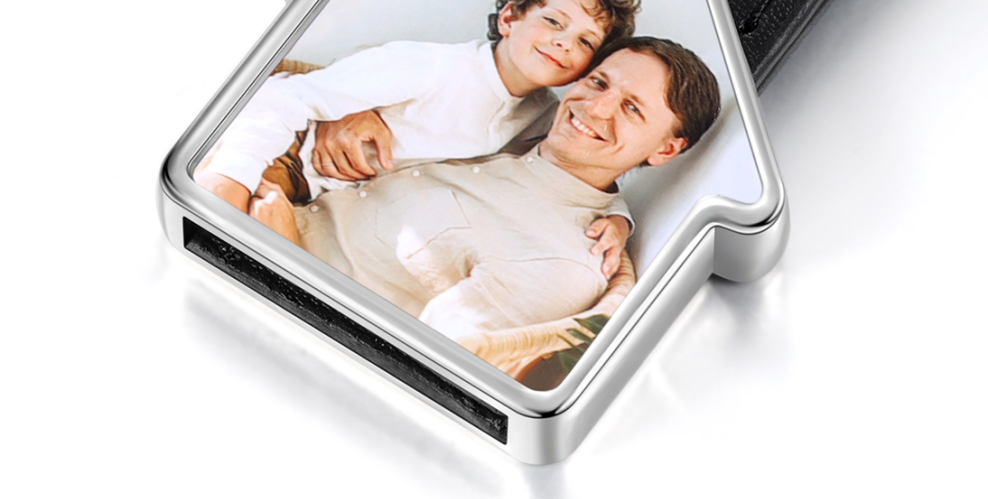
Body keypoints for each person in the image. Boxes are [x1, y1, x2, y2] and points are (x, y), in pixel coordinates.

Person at [247, 37, 720, 361]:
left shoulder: (563, 262)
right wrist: (356, 108)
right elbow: (409, 69)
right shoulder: (516, 125)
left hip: (274, 288)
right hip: (275, 189)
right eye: (598, 82)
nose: (595, 107)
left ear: (665, 150)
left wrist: (284, 253)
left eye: (632, 109)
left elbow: (419, 359)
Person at [198, 0, 641, 273]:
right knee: (223, 236)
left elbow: (577, 169)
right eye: (554, 22)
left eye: (585, 42)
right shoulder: (433, 68)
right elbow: (288, 99)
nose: (564, 43)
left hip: (327, 199)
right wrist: (231, 177)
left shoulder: (544, 115)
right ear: (509, 19)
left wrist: (619, 218)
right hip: (287, 149)